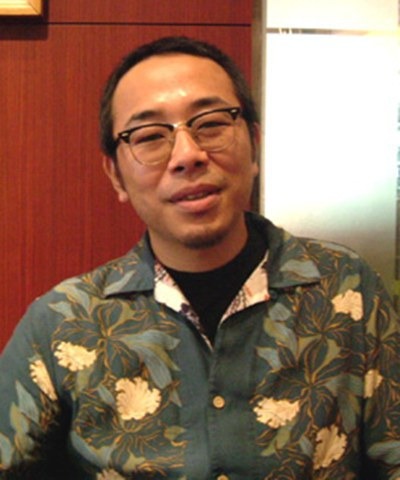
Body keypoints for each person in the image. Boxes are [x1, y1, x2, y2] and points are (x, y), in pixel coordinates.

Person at [0, 35, 399, 480]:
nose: (188, 155)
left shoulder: (347, 289)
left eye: (210, 124)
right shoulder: (62, 322)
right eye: (150, 136)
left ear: (254, 143)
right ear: (116, 175)